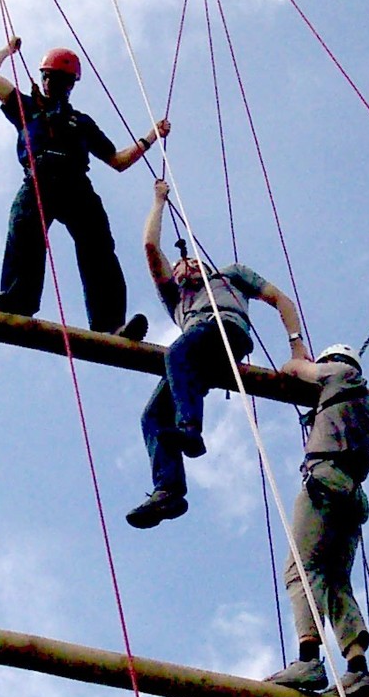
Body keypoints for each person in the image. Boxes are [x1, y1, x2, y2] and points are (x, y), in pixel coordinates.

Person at [126, 178, 305, 529]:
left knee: (177, 352)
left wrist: (296, 345)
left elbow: (280, 300)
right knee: (151, 416)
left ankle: (190, 427)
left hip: (225, 331)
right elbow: (150, 246)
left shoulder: (230, 276)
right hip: (197, 355)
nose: (183, 268)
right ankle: (169, 489)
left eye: (189, 263)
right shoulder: (178, 301)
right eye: (177, 270)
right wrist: (158, 201)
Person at [0, 37, 169, 340]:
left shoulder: (80, 122)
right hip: (39, 179)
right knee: (25, 236)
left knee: (98, 249)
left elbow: (118, 160)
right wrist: (8, 50)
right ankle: (17, 304)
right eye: (49, 77)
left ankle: (110, 323)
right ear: (42, 78)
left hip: (75, 184)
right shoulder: (26, 108)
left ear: (70, 85)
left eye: (59, 79)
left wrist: (150, 137)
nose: (52, 83)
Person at [266, 342, 369, 697]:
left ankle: (309, 659)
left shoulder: (340, 375)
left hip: (325, 481)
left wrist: (297, 363)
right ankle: (357, 669)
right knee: (335, 581)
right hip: (351, 495)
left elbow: (296, 369)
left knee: (301, 569)